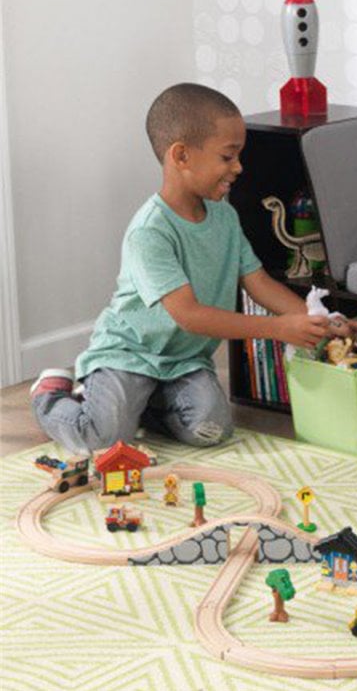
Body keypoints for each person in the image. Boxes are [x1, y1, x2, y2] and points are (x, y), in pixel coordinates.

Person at [30, 83, 339, 455]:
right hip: (129, 353)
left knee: (212, 429)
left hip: (184, 360)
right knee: (103, 439)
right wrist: (277, 329)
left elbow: (258, 282)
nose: (238, 167)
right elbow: (189, 315)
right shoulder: (150, 231)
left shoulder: (225, 217)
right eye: (228, 157)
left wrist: (320, 318)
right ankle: (50, 396)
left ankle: (140, 408)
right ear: (181, 156)